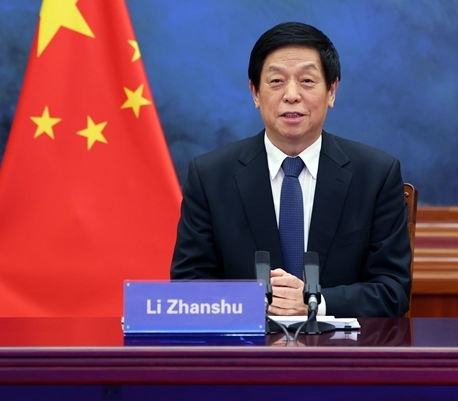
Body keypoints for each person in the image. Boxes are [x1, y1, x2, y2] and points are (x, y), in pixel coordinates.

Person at [170, 22, 411, 318]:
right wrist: (256, 303)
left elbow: (392, 291)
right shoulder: (210, 176)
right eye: (276, 81)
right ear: (255, 92)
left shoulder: (375, 175)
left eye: (307, 81)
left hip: (340, 346)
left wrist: (315, 302)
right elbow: (189, 285)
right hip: (249, 345)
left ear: (331, 91)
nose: (292, 95)